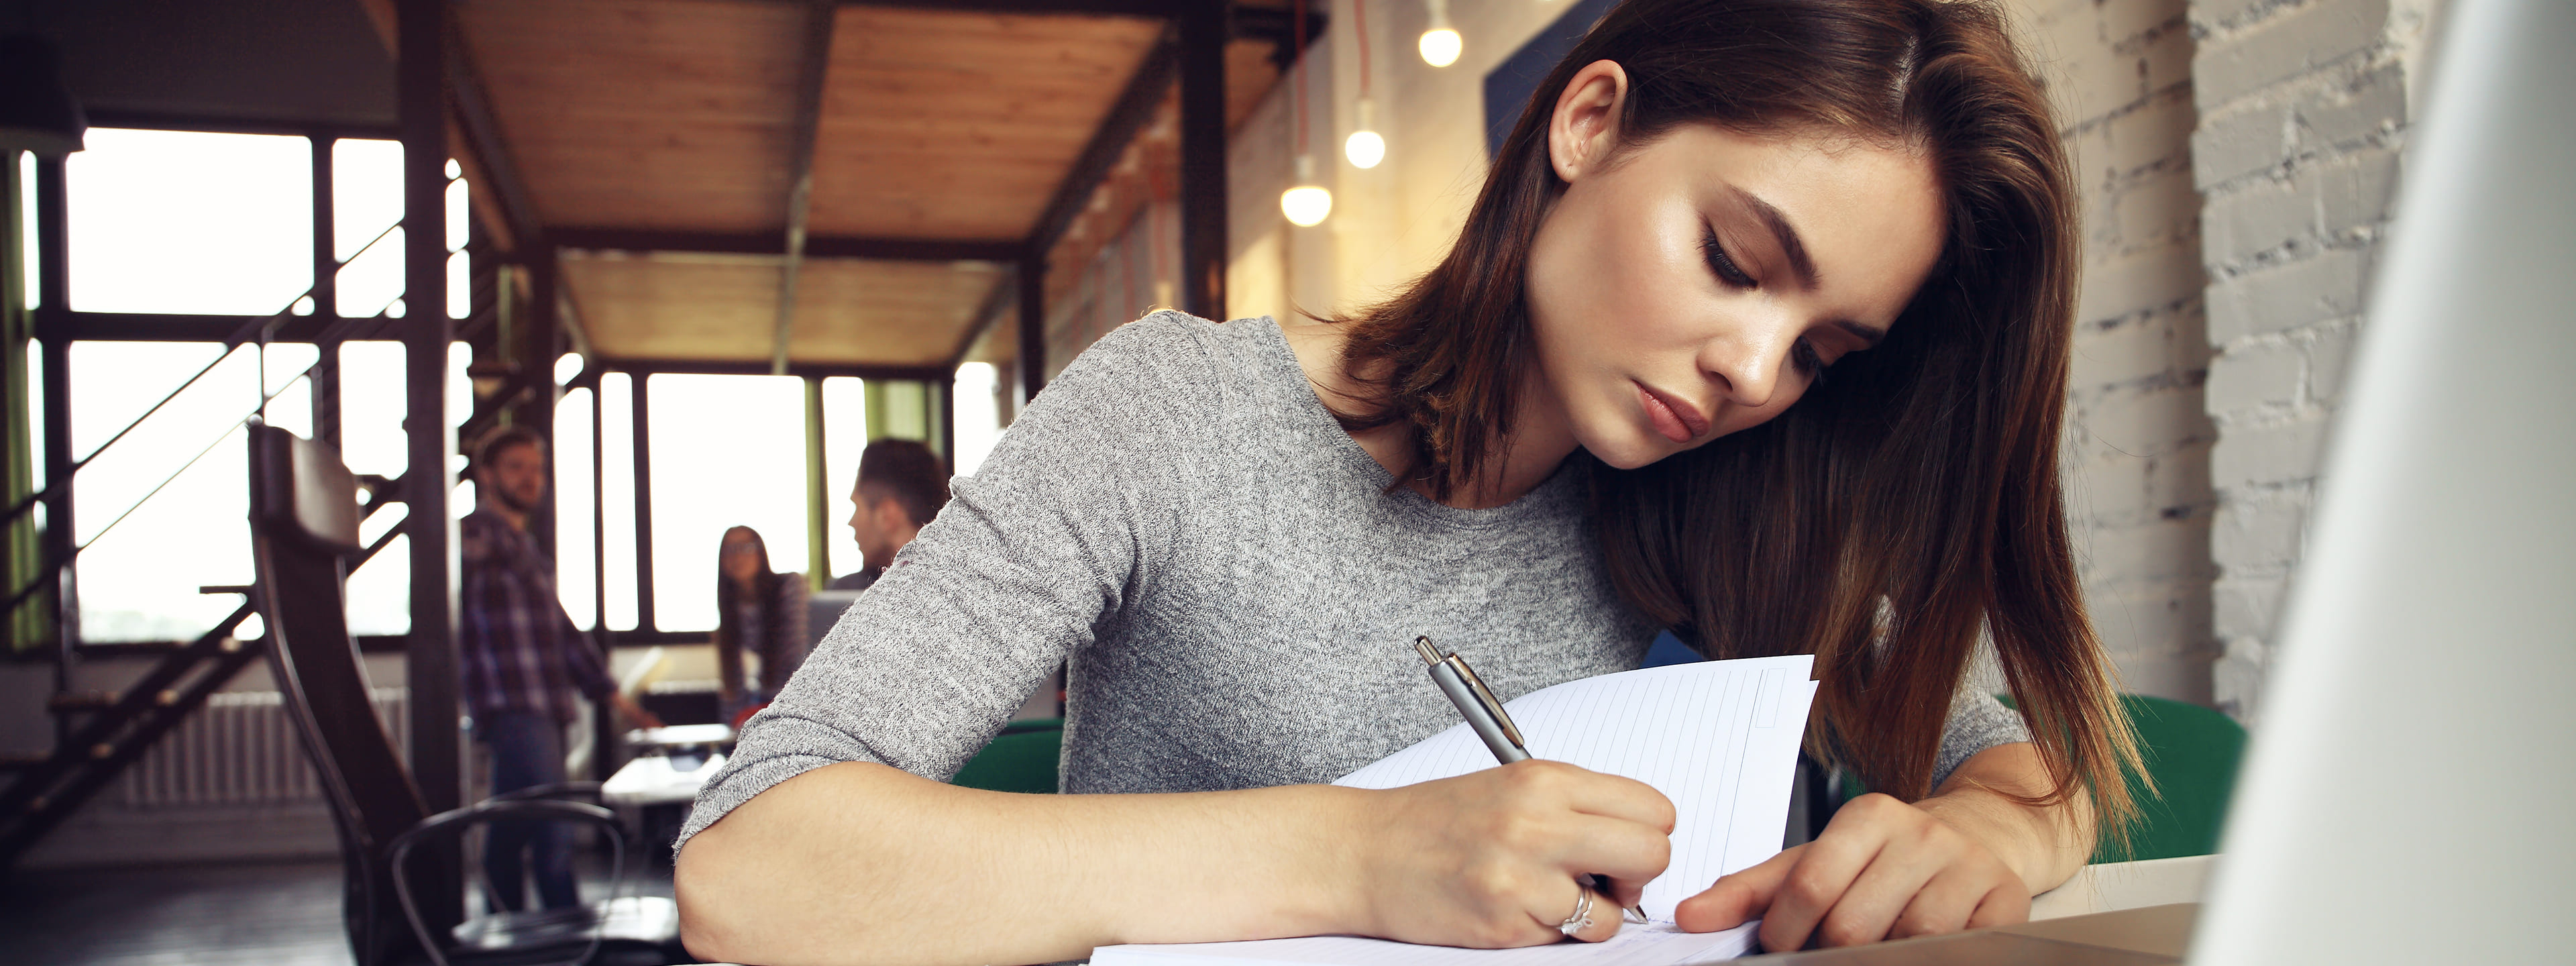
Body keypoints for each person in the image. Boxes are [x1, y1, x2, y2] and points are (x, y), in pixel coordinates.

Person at [675, 1, 2140, 963]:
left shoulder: (1741, 501)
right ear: (1589, 124)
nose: (1756, 372)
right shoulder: (1182, 412)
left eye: (1821, 349)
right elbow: (751, 867)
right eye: (1736, 263)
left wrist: (1975, 834)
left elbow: (2040, 774)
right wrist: (1362, 850)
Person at [458, 425, 661, 912]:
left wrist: (618, 701)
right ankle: (565, 941)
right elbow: (461, 558)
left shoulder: (526, 549)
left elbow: (563, 632)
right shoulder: (476, 535)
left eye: (537, 469)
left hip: (546, 704)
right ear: (487, 476)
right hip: (514, 704)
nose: (531, 479)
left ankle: (507, 936)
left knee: (515, 827)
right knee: (552, 835)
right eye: (516, 468)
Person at [828, 438, 952, 591]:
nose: (851, 522)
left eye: (857, 507)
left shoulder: (848, 599)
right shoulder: (963, 589)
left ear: (887, 515)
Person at [713, 525, 810, 719]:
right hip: (762, 706)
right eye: (729, 550)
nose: (738, 556)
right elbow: (733, 684)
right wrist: (733, 728)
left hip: (796, 701)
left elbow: (795, 659)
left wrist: (773, 713)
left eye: (746, 547)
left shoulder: (790, 586)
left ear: (762, 552)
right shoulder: (731, 609)